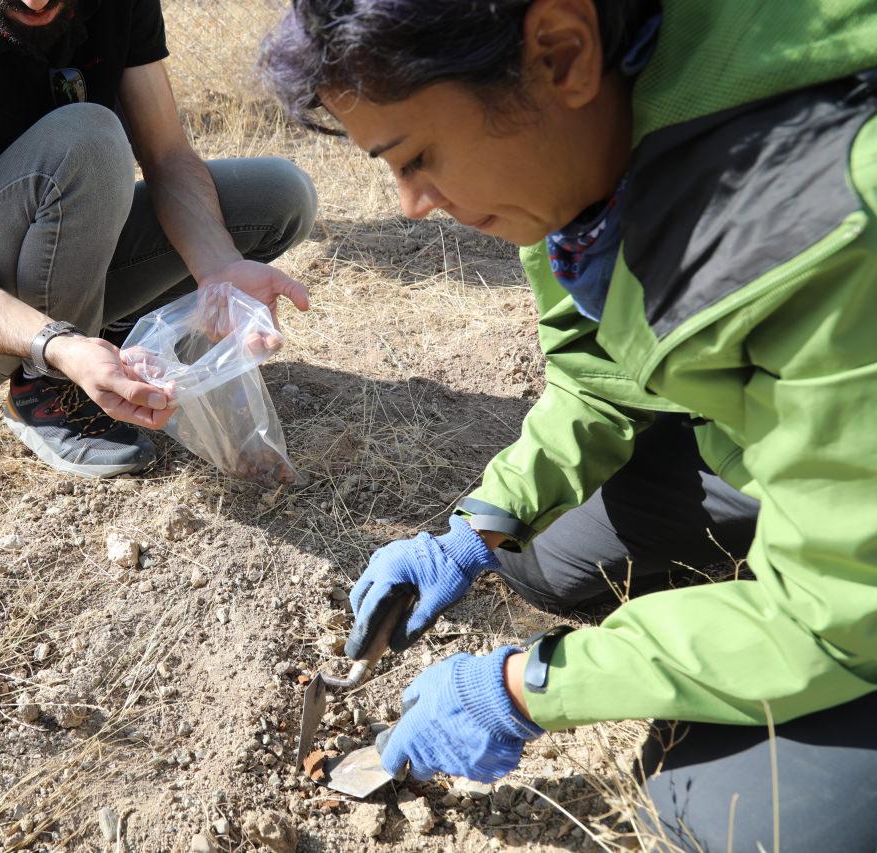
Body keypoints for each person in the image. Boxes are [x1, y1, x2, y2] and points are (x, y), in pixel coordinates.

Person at [261, 0, 877, 849]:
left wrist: (527, 686)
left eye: (419, 157)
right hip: (801, 463)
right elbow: (597, 382)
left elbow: (837, 610)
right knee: (540, 556)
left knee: (731, 817)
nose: (410, 204)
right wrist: (476, 529)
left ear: (559, 52)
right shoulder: (573, 164)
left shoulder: (836, 216)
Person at [0, 0, 317, 478]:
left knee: (278, 196)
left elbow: (167, 152)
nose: (37, 2)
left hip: (76, 242)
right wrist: (59, 347)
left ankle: (110, 338)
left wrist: (218, 266)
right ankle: (48, 391)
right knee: (91, 137)